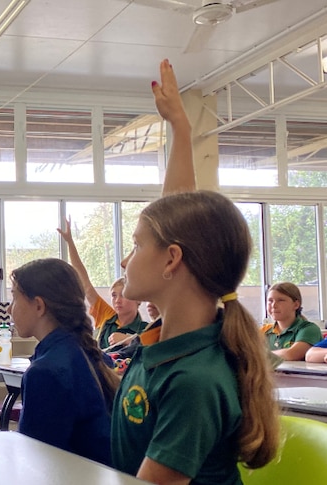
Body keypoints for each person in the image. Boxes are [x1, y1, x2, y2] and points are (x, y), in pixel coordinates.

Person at [111, 59, 279, 484]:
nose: (125, 261)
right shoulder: (170, 343)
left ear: (171, 261)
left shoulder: (195, 380)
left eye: (135, 245)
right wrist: (179, 132)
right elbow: (179, 223)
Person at [9, 258, 118, 465]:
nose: (9, 309)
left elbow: (35, 463)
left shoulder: (45, 372)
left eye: (14, 298)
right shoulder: (92, 354)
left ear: (39, 306)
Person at [59, 222, 146, 349]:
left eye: (122, 295)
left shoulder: (146, 329)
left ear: (138, 299)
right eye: (113, 295)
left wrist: (129, 340)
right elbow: (85, 283)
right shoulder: (106, 315)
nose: (117, 300)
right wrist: (70, 242)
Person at [261, 282, 323, 361]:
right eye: (270, 301)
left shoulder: (309, 329)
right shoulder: (264, 331)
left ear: (296, 305)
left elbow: (291, 354)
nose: (273, 305)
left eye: (280, 300)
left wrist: (259, 355)